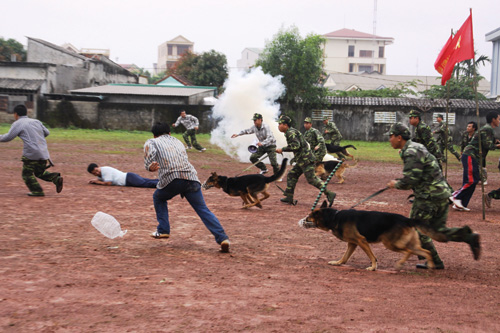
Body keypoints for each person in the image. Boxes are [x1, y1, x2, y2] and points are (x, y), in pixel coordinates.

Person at [386, 122, 481, 270]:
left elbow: (412, 179)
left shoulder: (410, 151)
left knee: (416, 230)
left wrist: (395, 184)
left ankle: (434, 260)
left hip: (427, 197)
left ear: (399, 137)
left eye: (391, 136)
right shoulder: (418, 147)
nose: (389, 139)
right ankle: (468, 236)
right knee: (438, 231)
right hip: (442, 194)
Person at [144, 122, 230, 252]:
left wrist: (150, 167)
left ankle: (163, 230)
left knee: (158, 197)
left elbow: (149, 160)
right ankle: (223, 238)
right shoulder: (178, 141)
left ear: (154, 135)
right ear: (169, 133)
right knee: (203, 209)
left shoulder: (151, 142)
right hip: (192, 178)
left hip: (173, 179)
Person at [0, 104, 63, 196]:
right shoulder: (36, 121)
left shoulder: (18, 123)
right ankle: (55, 178)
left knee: (26, 174)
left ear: (16, 114)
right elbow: (47, 132)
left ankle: (37, 191)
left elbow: (8, 137)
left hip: (31, 154)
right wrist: (37, 138)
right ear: (27, 113)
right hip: (43, 152)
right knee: (39, 172)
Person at [276, 116, 336, 206]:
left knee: (312, 179)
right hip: (302, 159)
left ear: (285, 125)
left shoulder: (290, 133)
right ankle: (289, 196)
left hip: (306, 160)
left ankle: (329, 193)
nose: (278, 126)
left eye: (280, 124)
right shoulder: (290, 131)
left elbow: (296, 146)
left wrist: (282, 149)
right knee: (292, 174)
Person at [450, 111, 500, 211]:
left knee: (472, 180)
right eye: (498, 119)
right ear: (493, 119)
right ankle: (455, 196)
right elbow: (487, 145)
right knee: (472, 180)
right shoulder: (487, 129)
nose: (499, 121)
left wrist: (496, 142)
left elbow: (490, 140)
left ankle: (461, 203)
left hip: (473, 157)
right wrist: (498, 145)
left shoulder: (488, 129)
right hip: (470, 155)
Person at [87, 163, 158, 188]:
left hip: (128, 179)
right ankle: (164, 182)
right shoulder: (101, 174)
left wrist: (98, 182)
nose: (97, 173)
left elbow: (108, 183)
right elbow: (102, 179)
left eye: (96, 170)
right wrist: (95, 180)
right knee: (147, 181)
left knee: (145, 184)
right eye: (94, 173)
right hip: (129, 177)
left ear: (98, 166)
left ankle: (162, 185)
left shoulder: (105, 170)